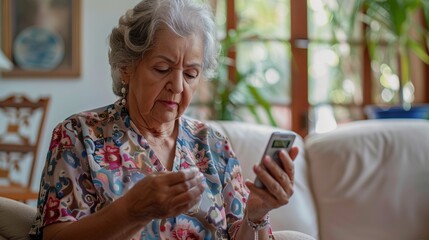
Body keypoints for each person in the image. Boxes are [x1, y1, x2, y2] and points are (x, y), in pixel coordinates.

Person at [29, 0, 300, 239]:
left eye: (191, 74)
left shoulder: (213, 145)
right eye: (162, 68)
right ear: (126, 67)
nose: (178, 86)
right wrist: (131, 211)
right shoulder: (78, 135)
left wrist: (257, 214)